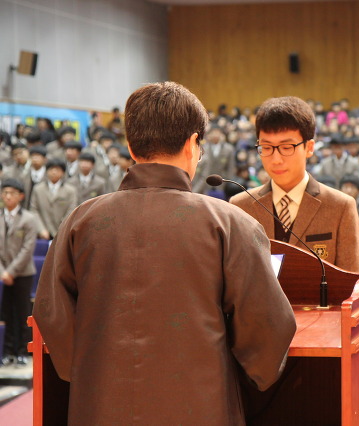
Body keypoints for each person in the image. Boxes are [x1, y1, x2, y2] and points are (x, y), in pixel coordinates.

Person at [33, 82, 296, 425]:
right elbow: (269, 330)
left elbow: (49, 311)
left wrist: (89, 370)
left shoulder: (81, 221)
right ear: (192, 144)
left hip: (100, 406)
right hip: (201, 406)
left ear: (130, 146)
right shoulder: (230, 224)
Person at [230, 96, 359, 273]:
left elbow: (353, 282)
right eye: (267, 148)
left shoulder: (340, 206)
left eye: (287, 148)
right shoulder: (240, 206)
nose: (276, 160)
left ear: (309, 148)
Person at [0, 179, 38, 366]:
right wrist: (3, 272)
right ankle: (7, 351)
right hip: (3, 274)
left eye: (12, 193)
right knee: (6, 313)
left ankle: (23, 351)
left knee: (23, 312)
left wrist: (11, 271)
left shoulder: (29, 219)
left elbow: (28, 248)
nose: (7, 196)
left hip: (23, 273)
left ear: (21, 196)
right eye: (5, 192)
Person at [29, 159, 78, 239]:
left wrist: (62, 228)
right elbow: (34, 210)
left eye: (57, 170)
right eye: (51, 169)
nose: (54, 172)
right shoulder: (38, 189)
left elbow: (72, 210)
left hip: (63, 232)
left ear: (63, 173)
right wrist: (41, 229)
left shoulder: (70, 191)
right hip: (42, 234)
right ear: (46, 171)